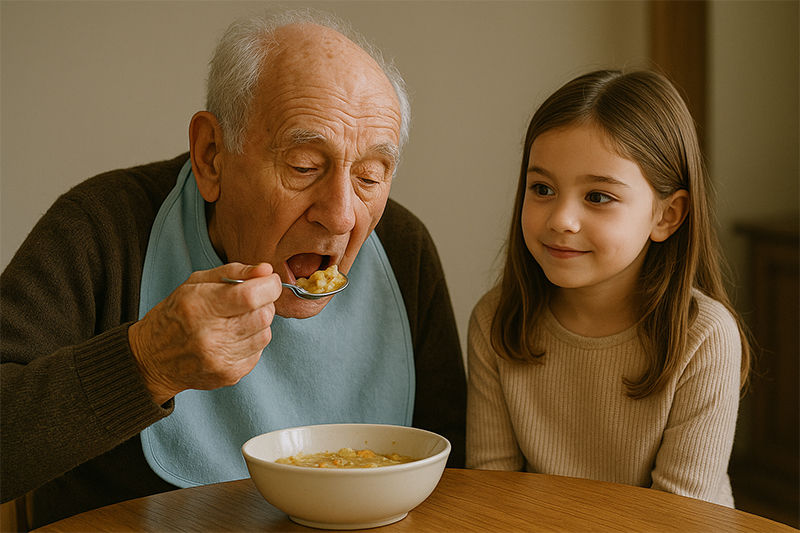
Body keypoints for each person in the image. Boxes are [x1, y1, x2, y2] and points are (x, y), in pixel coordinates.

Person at [1, 7, 466, 528]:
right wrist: (146, 364)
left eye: (369, 176)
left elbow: (456, 478)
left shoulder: (404, 251)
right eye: (304, 167)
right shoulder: (101, 230)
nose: (339, 214)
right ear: (211, 156)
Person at [465, 69, 751, 507]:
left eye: (598, 197)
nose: (561, 219)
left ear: (667, 216)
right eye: (542, 188)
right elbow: (493, 494)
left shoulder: (705, 336)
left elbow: (677, 517)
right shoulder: (496, 320)